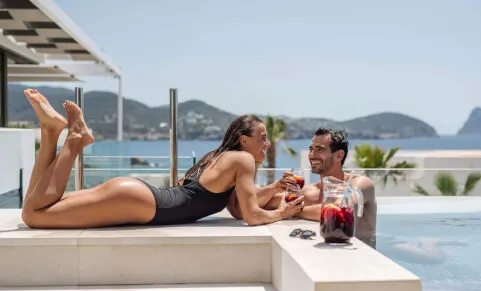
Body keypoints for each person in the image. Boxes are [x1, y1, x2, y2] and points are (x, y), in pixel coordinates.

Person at [20, 89, 304, 229]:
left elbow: (238, 209)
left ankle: (50, 132)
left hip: (139, 196)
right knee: (33, 215)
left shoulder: (218, 157)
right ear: (244, 140)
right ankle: (75, 138)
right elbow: (252, 216)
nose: (267, 144)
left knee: (37, 205)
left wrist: (274, 189)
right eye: (262, 137)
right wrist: (281, 213)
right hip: (141, 202)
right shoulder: (242, 161)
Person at [229, 127, 378, 246]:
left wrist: (293, 211)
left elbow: (338, 210)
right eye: (311, 149)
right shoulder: (309, 192)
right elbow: (245, 208)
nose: (312, 155)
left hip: (362, 254)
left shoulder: (361, 183)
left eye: (319, 149)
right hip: (329, 250)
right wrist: (274, 188)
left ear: (338, 155)